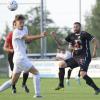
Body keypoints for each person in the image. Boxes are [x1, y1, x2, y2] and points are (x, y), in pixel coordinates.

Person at [0, 14, 48, 98]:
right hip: (20, 58)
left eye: (23, 21)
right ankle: (37, 95)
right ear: (15, 23)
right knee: (36, 73)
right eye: (20, 22)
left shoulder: (25, 29)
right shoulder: (16, 32)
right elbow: (28, 38)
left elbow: (27, 40)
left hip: (19, 58)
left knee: (13, 81)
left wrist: (30, 39)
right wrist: (41, 35)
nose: (22, 23)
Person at [51, 22, 100, 95]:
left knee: (82, 74)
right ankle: (61, 84)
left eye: (76, 27)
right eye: (74, 27)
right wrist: (55, 37)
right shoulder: (71, 35)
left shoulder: (84, 34)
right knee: (61, 64)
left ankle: (97, 89)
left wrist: (95, 51)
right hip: (75, 57)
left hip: (84, 57)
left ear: (80, 27)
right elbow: (61, 43)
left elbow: (95, 40)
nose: (74, 28)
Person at [3, 20, 29, 94]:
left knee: (27, 70)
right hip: (12, 55)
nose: (17, 26)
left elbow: (27, 41)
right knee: (15, 74)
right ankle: (13, 87)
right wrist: (11, 50)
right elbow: (4, 47)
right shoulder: (11, 35)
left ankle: (23, 84)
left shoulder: (23, 32)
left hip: (22, 54)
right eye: (15, 25)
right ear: (13, 26)